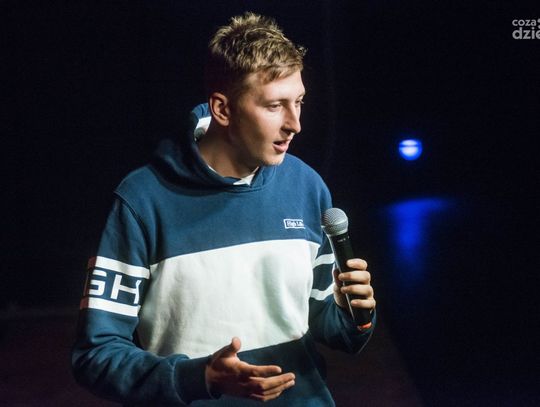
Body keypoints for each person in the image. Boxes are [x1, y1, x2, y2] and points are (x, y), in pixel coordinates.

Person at [72, 12, 376, 406]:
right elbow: (97, 354)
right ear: (222, 109)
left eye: (299, 102)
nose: (295, 124)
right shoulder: (142, 201)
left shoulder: (307, 186)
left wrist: (354, 313)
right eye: (275, 106)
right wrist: (199, 378)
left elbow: (331, 328)